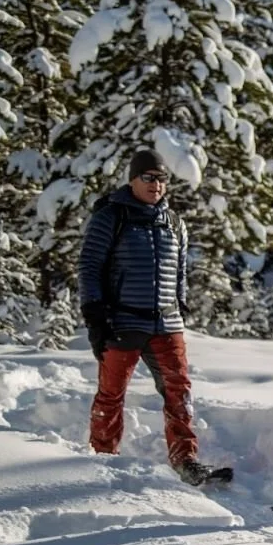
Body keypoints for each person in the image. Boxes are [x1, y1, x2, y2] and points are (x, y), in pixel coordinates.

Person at [78, 149, 209, 485]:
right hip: (123, 320)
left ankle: (186, 459)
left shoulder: (175, 223)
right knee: (111, 393)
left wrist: (180, 302)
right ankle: (103, 458)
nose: (156, 185)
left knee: (179, 392)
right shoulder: (111, 217)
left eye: (162, 178)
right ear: (132, 180)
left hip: (167, 323)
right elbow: (90, 266)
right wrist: (95, 314)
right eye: (148, 178)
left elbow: (180, 270)